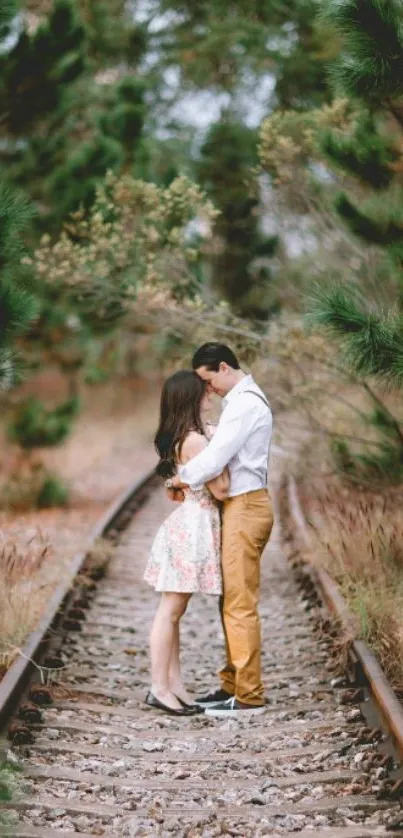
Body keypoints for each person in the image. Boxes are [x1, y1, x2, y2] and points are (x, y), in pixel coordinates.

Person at [169, 343, 273, 718]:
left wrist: (180, 479)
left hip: (246, 507)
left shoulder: (245, 403)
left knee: (239, 602)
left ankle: (248, 696)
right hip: (241, 507)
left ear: (224, 367)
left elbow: (215, 458)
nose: (207, 389)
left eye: (207, 379)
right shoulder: (240, 402)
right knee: (229, 598)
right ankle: (233, 684)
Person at [143, 370, 229, 717]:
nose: (209, 394)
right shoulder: (195, 440)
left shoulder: (190, 435)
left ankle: (174, 685)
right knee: (171, 611)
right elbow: (221, 489)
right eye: (203, 391)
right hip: (192, 527)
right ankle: (158, 687)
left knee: (175, 613)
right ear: (191, 398)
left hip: (189, 523)